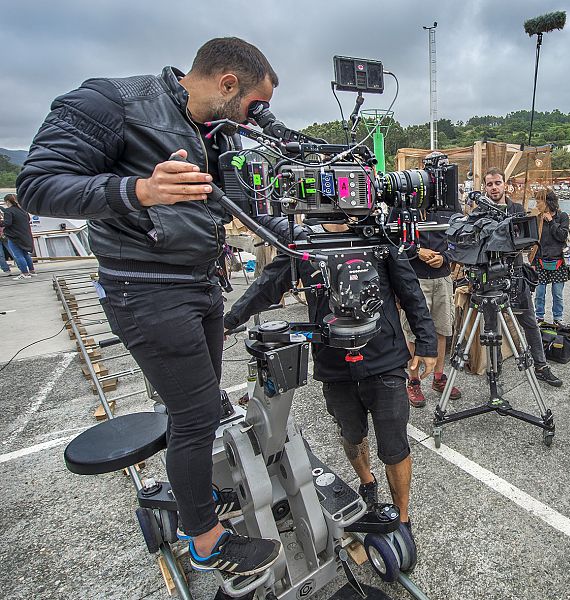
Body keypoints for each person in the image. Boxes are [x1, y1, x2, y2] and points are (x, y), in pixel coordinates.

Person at [17, 37, 283, 576]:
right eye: (257, 103)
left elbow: (241, 204)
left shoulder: (212, 133)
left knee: (204, 409)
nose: (260, 116)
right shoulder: (111, 103)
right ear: (228, 83)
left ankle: (196, 495)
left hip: (199, 284)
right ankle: (205, 541)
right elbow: (38, 185)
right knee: (195, 414)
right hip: (146, 290)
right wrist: (137, 190)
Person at [223, 218, 437, 545]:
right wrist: (227, 320)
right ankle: (367, 483)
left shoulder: (377, 235)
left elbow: (410, 291)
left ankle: (402, 517)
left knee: (394, 445)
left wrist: (427, 344)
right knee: (351, 433)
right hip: (333, 365)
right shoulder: (303, 243)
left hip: (385, 359)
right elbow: (267, 285)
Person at [482, 168, 562, 387]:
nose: (494, 187)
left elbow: (524, 240)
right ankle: (494, 371)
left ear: (505, 185)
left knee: (529, 323)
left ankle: (541, 366)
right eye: (490, 184)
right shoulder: (480, 212)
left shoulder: (516, 209)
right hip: (490, 277)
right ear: (485, 187)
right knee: (492, 327)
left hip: (516, 274)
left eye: (497, 182)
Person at [400, 201, 462, 408]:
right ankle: (413, 380)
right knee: (412, 332)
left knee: (441, 330)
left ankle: (438, 377)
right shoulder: (401, 206)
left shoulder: (451, 207)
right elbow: (392, 240)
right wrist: (417, 251)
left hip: (442, 278)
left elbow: (460, 239)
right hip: (414, 279)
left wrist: (444, 257)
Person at [533, 190, 570, 326]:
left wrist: (551, 221)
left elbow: (562, 236)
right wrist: (533, 262)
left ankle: (557, 318)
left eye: (538, 202)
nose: (536, 205)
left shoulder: (562, 217)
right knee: (539, 293)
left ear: (547, 202)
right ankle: (539, 317)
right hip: (541, 260)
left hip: (558, 261)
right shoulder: (537, 219)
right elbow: (535, 242)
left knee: (557, 294)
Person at [0, 194, 36, 279]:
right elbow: (28, 219)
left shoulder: (9, 211)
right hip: (24, 235)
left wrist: (1, 222)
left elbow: (7, 223)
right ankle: (32, 271)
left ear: (7, 201)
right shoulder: (23, 210)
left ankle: (25, 273)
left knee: (18, 255)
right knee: (25, 254)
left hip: (14, 237)